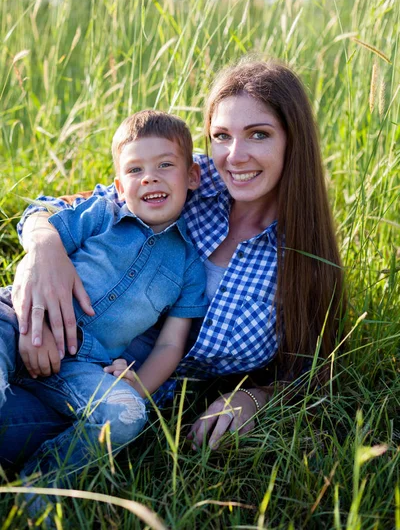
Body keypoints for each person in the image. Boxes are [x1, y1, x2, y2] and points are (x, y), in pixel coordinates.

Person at [1, 58, 345, 467]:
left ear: (294, 140)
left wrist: (253, 397)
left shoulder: (305, 260)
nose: (235, 156)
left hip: (103, 384)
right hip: (30, 322)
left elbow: (310, 369)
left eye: (258, 134)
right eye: (221, 136)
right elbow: (62, 209)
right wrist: (41, 251)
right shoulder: (186, 177)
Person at [0, 110, 208, 474]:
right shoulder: (100, 214)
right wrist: (35, 328)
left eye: (164, 165)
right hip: (15, 321)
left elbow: (170, 345)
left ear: (192, 176)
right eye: (135, 170)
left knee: (128, 414)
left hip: (81, 366)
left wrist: (139, 385)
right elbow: (42, 250)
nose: (149, 178)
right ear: (118, 184)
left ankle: (41, 486)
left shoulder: (190, 265)